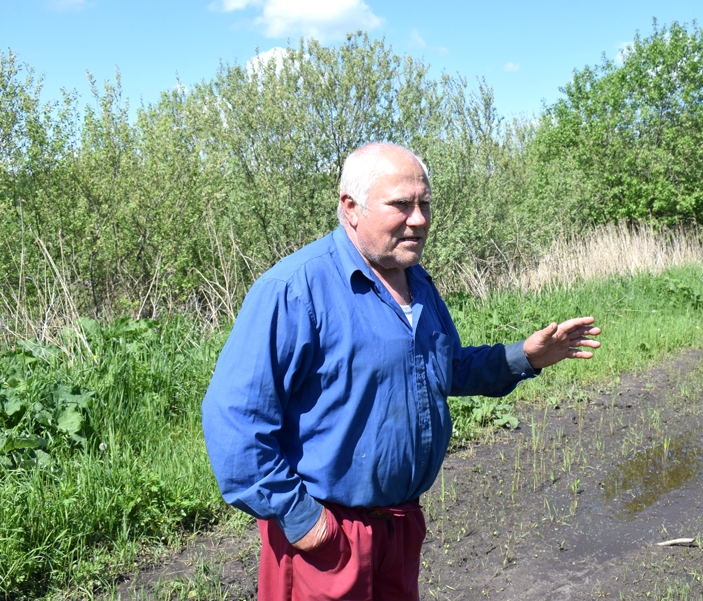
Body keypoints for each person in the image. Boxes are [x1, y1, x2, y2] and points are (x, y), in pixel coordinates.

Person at [201, 142, 601, 601]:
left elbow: (440, 370)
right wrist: (302, 520)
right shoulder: (294, 289)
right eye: (402, 205)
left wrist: (524, 357)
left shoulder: (418, 283)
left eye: (425, 203)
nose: (420, 219)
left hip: (399, 530)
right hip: (326, 540)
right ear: (350, 207)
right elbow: (234, 420)